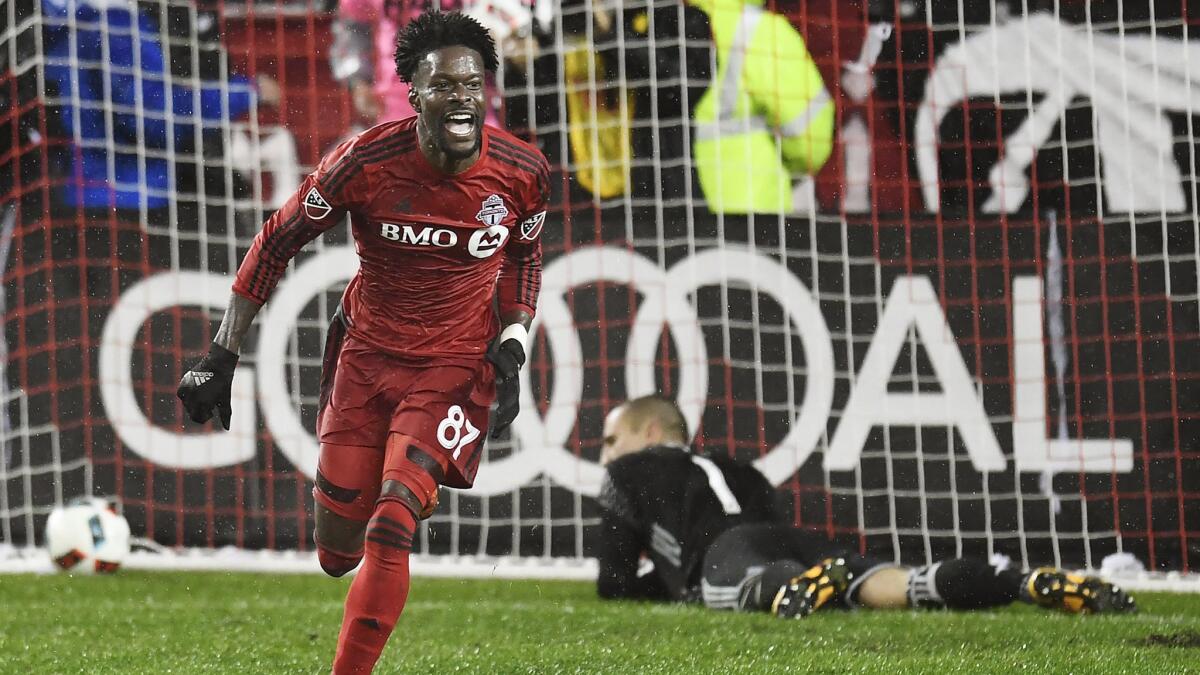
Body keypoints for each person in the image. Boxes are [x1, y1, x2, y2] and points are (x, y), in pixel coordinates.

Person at [175, 11, 549, 673]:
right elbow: (277, 239)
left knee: (393, 519)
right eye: (444, 85)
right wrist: (221, 352)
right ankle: (372, 507)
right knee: (336, 550)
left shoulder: (523, 172)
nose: (462, 95)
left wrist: (514, 339)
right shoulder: (366, 161)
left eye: (472, 83)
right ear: (415, 94)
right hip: (367, 360)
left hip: (456, 367)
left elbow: (524, 255)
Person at [597, 395, 1137, 617]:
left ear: (647, 432)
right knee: (901, 584)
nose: (606, 454)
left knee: (750, 587)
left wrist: (670, 579)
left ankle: (791, 583)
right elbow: (766, 525)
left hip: (730, 553)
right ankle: (1018, 582)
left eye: (610, 440)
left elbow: (614, 582)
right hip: (791, 539)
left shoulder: (624, 472)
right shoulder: (745, 470)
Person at [39, 0, 274, 214]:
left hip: (81, 199)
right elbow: (154, 118)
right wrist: (247, 93)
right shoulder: (112, 27)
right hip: (131, 201)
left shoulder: (62, 31)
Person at [688, 0, 835, 214]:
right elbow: (810, 138)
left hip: (661, 210)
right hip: (751, 207)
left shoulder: (648, 23)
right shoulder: (759, 30)